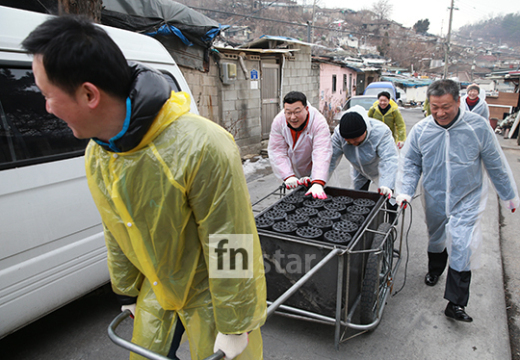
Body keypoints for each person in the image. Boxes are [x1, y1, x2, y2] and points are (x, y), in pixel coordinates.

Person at [22, 15, 266, 360]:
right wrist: (125, 290)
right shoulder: (99, 153)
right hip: (156, 290)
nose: (47, 108)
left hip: (210, 295)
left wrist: (236, 323)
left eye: (49, 95)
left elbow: (230, 239)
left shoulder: (201, 145)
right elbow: (116, 225)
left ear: (89, 93)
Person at [395, 79, 518, 323]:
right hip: (434, 195)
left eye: (446, 107)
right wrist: (405, 191)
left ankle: (456, 303)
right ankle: (435, 270)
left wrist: (508, 195)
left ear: (458, 102)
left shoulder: (478, 127)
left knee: (462, 245)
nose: (440, 113)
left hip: (467, 197)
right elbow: (410, 164)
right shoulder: (421, 130)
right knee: (436, 236)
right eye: (434, 107)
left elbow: (496, 163)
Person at [268, 91, 332, 199]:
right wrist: (288, 175)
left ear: (306, 109)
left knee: (319, 202)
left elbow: (321, 151)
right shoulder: (279, 121)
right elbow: (277, 150)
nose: (292, 117)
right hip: (294, 178)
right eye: (288, 112)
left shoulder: (318, 123)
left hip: (315, 173)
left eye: (297, 112)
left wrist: (317, 181)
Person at [328, 105, 398, 199]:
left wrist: (387, 184)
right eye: (348, 141)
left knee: (388, 198)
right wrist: (317, 181)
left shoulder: (381, 132)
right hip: (359, 169)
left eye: (356, 140)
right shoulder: (338, 134)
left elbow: (389, 159)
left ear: (365, 131)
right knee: (358, 197)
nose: (353, 142)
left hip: (380, 169)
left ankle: (391, 211)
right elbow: (329, 159)